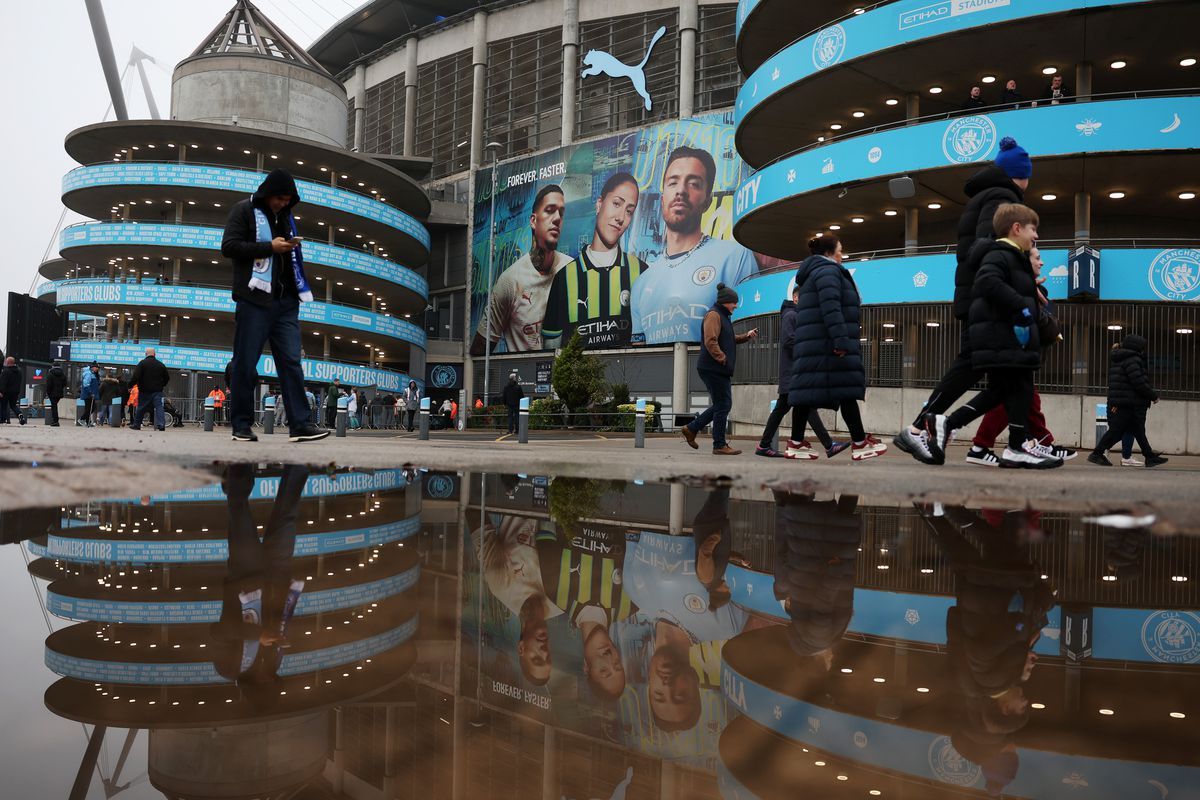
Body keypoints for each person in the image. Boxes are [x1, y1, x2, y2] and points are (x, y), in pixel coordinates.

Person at [895, 137, 1034, 464]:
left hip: (977, 296)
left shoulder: (988, 194)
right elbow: (987, 246)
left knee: (1004, 379)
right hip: (983, 299)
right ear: (1020, 175)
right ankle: (920, 429)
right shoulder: (1001, 196)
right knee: (974, 365)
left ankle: (1015, 444)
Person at [927, 204, 1063, 469]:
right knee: (1019, 388)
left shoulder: (1012, 257)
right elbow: (988, 282)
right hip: (1003, 337)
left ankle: (950, 423)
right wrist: (1022, 308)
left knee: (1003, 391)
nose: (1036, 236)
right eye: (1033, 229)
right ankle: (1015, 446)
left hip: (1007, 337)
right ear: (1016, 228)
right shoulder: (1000, 254)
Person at [220, 168, 328, 443]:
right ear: (268, 193)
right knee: (245, 363)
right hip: (254, 300)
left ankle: (300, 425)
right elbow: (229, 246)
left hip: (286, 303)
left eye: (288, 199)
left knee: (292, 362)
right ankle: (241, 426)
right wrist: (269, 247)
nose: (283, 203)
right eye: (279, 198)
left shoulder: (287, 219)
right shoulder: (243, 210)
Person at [630, 147, 759, 346]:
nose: (681, 190)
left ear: (708, 200)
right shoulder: (641, 283)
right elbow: (639, 358)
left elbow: (748, 337)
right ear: (662, 197)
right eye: (673, 182)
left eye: (693, 184)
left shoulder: (735, 258)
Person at [965, 247, 1075, 466]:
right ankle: (977, 443)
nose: (1042, 262)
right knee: (1012, 401)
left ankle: (1026, 443)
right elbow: (1038, 324)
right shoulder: (1018, 290)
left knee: (1022, 402)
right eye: (1037, 258)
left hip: (1020, 358)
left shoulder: (1033, 289)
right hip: (1013, 358)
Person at [785, 235, 887, 461]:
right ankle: (860, 443)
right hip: (828, 344)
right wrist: (841, 340)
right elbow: (831, 308)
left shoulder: (814, 273)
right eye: (841, 250)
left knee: (807, 393)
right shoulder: (828, 272)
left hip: (817, 344)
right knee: (845, 390)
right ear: (830, 253)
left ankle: (796, 442)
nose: (843, 255)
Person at [543, 172, 644, 349]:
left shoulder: (641, 273)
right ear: (599, 204)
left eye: (629, 211)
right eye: (616, 203)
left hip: (628, 376)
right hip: (580, 377)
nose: (620, 217)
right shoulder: (564, 278)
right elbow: (551, 351)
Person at [471, 184, 571, 354]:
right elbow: (480, 349)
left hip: (565, 376)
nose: (557, 218)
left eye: (561, 213)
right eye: (550, 210)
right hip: (526, 376)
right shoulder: (510, 281)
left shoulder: (571, 270)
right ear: (533, 220)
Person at [756, 283, 850, 459]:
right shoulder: (791, 315)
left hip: (796, 373)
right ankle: (827, 445)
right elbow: (789, 341)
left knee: (800, 408)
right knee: (799, 408)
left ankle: (766, 445)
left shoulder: (797, 316)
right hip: (793, 374)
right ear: (796, 297)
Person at [680, 283, 758, 455]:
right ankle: (719, 445)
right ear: (725, 302)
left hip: (716, 368)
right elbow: (710, 341)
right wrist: (722, 359)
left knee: (721, 404)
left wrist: (746, 336)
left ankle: (692, 429)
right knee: (723, 404)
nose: (736, 306)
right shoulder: (714, 315)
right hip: (713, 368)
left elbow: (728, 339)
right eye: (734, 303)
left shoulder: (722, 316)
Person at [1088, 335, 1168, 467]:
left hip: (1127, 401)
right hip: (1126, 402)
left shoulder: (1122, 358)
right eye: (1142, 347)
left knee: (1138, 430)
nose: (1144, 350)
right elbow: (1138, 381)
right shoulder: (1132, 360)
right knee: (1116, 430)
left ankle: (1149, 456)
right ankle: (1097, 453)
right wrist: (1153, 396)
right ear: (1136, 347)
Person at [129, 347, 169, 431]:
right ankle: (161, 425)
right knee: (159, 407)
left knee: (141, 407)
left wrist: (130, 385)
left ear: (146, 354)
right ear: (155, 354)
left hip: (144, 390)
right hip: (157, 391)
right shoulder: (160, 365)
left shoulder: (142, 364)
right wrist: (162, 385)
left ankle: (137, 425)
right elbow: (167, 377)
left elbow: (136, 376)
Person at [0, 357, 24, 425]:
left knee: (3, 405)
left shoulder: (5, 371)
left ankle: (2, 420)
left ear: (8, 362)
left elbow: (3, 382)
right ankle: (20, 415)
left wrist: (1, 391)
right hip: (15, 392)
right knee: (13, 405)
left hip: (6, 392)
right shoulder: (19, 371)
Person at [45, 361, 66, 427]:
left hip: (52, 393)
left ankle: (55, 421)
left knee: (54, 407)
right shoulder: (62, 374)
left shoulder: (50, 374)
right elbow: (65, 383)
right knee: (54, 406)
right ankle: (55, 420)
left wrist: (48, 393)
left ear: (53, 366)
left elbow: (49, 385)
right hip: (59, 393)